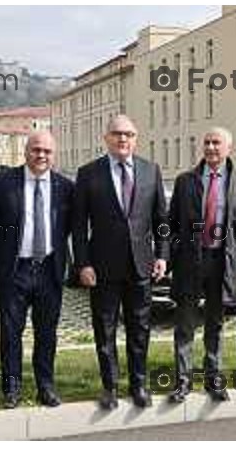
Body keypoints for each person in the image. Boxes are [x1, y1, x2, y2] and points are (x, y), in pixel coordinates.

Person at [73, 114, 168, 410]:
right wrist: (83, 264)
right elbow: (78, 224)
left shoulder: (151, 171)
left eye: (128, 134)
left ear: (135, 139)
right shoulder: (89, 173)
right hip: (102, 268)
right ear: (107, 138)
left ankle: (139, 384)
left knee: (140, 329)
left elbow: (161, 220)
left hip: (140, 266)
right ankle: (110, 386)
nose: (123, 139)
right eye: (117, 133)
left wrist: (162, 255)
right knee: (105, 329)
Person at [0, 131, 74, 408]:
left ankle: (45, 387)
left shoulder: (65, 187)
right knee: (11, 332)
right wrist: (8, 247)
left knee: (46, 332)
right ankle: (11, 389)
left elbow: (69, 228)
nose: (41, 155)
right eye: (36, 150)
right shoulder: (2, 182)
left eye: (47, 151)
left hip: (49, 269)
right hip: (14, 270)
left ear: (53, 155)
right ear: (26, 151)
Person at [168, 126, 236, 403]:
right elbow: (171, 224)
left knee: (215, 324)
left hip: (224, 262)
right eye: (207, 143)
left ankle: (213, 380)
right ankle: (182, 382)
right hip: (191, 262)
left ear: (228, 148)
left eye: (216, 143)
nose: (210, 148)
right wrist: (174, 254)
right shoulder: (186, 181)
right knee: (185, 324)